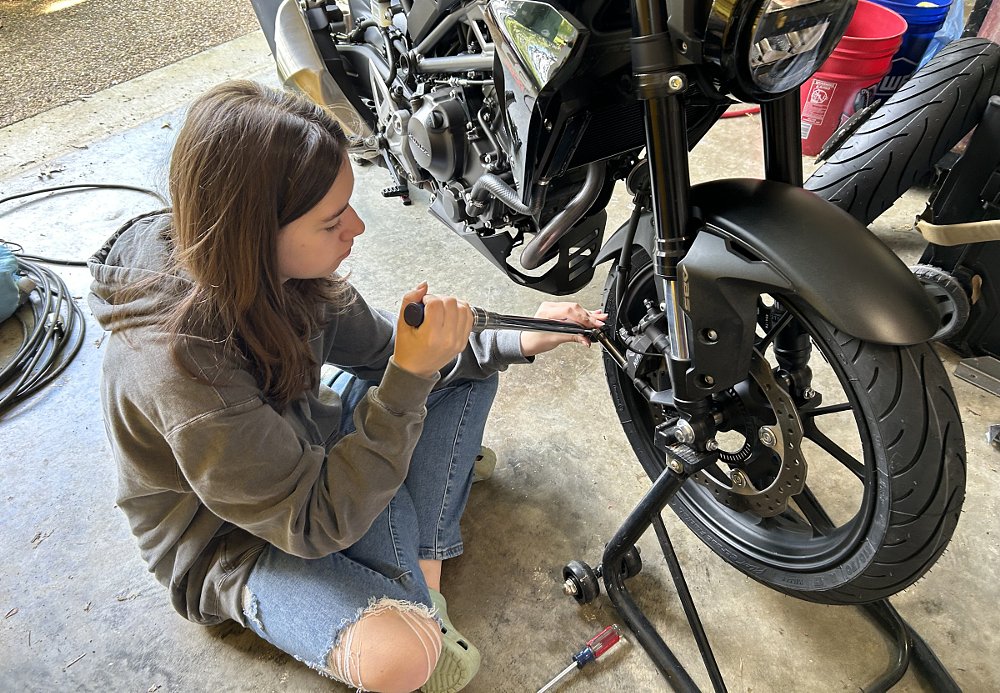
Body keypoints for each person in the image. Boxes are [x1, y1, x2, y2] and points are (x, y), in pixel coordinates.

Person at [88, 80, 606, 693]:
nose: (357, 227)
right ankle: (422, 559)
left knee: (464, 376)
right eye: (333, 220)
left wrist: (518, 337)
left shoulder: (284, 272)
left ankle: (422, 565)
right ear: (254, 234)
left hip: (309, 447)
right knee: (402, 658)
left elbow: (387, 350)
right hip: (233, 542)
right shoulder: (180, 373)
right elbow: (316, 521)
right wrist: (405, 393)